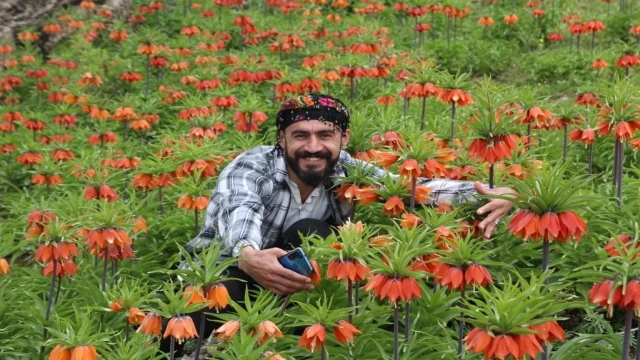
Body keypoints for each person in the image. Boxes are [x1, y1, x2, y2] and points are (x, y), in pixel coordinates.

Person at [173, 93, 515, 351]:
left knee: (310, 233)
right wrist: (248, 253)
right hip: (225, 270)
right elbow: (240, 209)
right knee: (195, 305)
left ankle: (284, 339)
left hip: (289, 284)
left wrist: (490, 193)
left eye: (325, 135)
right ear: (281, 139)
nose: (313, 146)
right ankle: (185, 348)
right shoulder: (252, 166)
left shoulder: (346, 169)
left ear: (343, 139)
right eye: (300, 135)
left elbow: (412, 188)